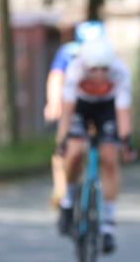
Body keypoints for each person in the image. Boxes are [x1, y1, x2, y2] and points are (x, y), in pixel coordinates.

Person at [55, 36, 135, 254]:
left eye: (104, 69)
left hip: (107, 108)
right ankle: (68, 203)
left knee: (109, 158)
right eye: (94, 70)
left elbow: (123, 112)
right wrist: (61, 141)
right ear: (85, 65)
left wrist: (126, 141)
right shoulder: (74, 70)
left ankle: (108, 225)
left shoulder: (120, 71)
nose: (99, 74)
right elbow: (67, 110)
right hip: (80, 107)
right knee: (73, 153)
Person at [45, 21, 106, 207]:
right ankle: (61, 188)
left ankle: (95, 180)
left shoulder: (107, 53)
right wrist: (53, 102)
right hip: (72, 103)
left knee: (102, 145)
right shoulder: (68, 52)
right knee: (65, 147)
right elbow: (56, 77)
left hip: (99, 103)